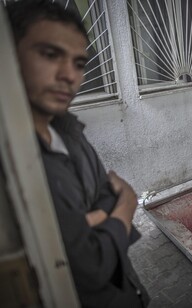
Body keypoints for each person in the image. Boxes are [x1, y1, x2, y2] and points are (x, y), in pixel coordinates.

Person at [5, 1, 150, 307]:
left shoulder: (68, 131)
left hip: (124, 290)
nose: (69, 75)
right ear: (9, 56)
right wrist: (126, 204)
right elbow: (91, 267)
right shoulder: (14, 160)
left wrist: (91, 220)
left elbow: (102, 192)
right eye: (49, 54)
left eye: (79, 63)